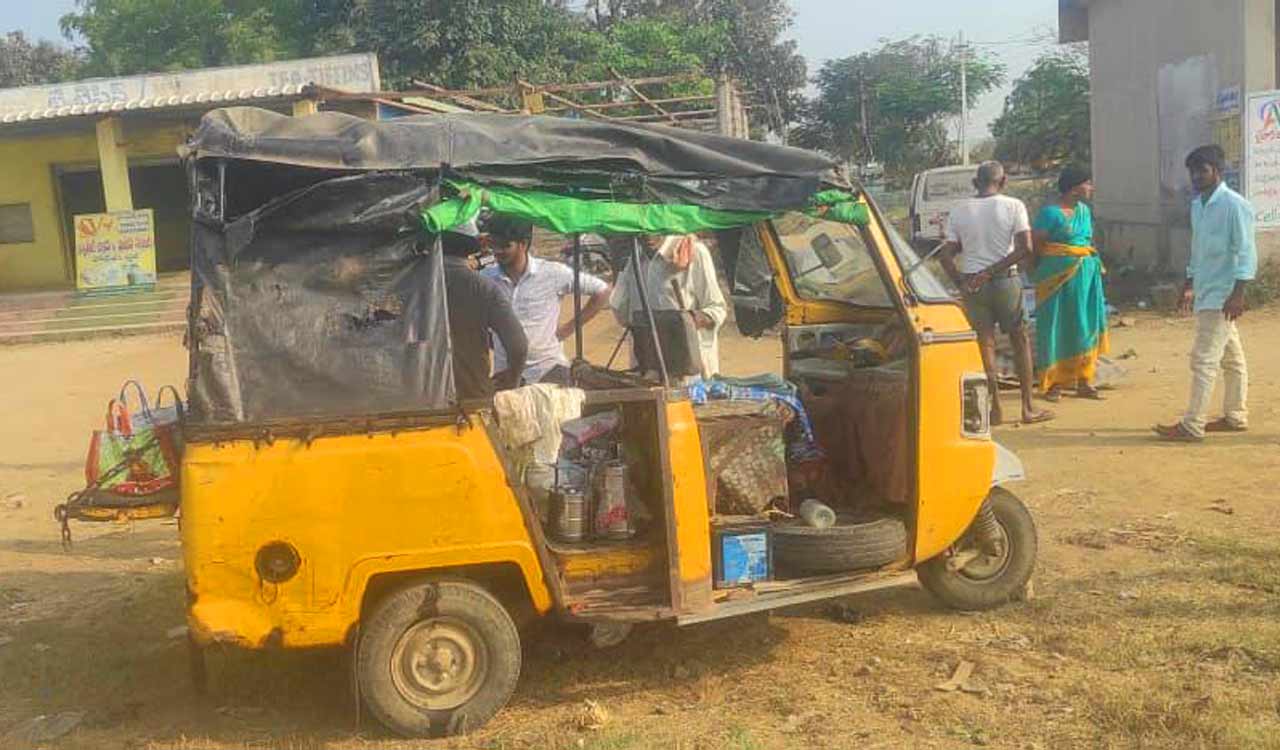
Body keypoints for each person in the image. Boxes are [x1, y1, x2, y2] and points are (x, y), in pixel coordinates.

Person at [1154, 145, 1256, 442]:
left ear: (1218, 171)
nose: (1197, 176)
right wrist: (1189, 283)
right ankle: (1236, 416)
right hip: (1206, 288)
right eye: (1193, 171)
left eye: (1203, 170)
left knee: (1203, 360)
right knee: (1232, 359)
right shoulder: (1198, 205)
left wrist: (1238, 294)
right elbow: (1197, 249)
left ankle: (1192, 424)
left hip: (1223, 293)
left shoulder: (1234, 205)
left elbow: (1246, 252)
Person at [939, 161, 1052, 426]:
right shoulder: (1014, 206)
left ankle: (995, 409)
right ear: (1003, 182)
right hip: (1005, 281)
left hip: (973, 286)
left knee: (985, 344)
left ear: (975, 183)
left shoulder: (959, 210)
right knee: (1019, 340)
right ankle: (1027, 408)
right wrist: (990, 272)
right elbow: (1025, 248)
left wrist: (961, 282)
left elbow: (946, 255)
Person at [483, 216, 612, 386]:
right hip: (506, 375)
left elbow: (602, 291)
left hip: (548, 371)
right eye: (494, 245)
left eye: (505, 245)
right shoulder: (486, 279)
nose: (497, 251)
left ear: (523, 244)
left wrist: (567, 329)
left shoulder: (552, 273)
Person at [1031, 165, 1108, 402]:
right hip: (1054, 279)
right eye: (1087, 183)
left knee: (1084, 323)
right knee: (1055, 325)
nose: (1091, 188)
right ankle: (1053, 382)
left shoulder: (1084, 211)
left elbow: (1087, 241)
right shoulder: (1050, 214)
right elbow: (1037, 245)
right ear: (1075, 188)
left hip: (1085, 276)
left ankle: (1084, 380)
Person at [610, 234, 727, 380]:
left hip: (690, 374)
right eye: (641, 230)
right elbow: (621, 313)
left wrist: (686, 321)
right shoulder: (634, 259)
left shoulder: (693, 251)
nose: (647, 235)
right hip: (648, 371)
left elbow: (717, 309)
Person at [438, 222, 528, 401]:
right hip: (470, 396)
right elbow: (518, 346)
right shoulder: (484, 288)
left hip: (417, 397)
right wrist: (513, 378)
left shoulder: (412, 284)